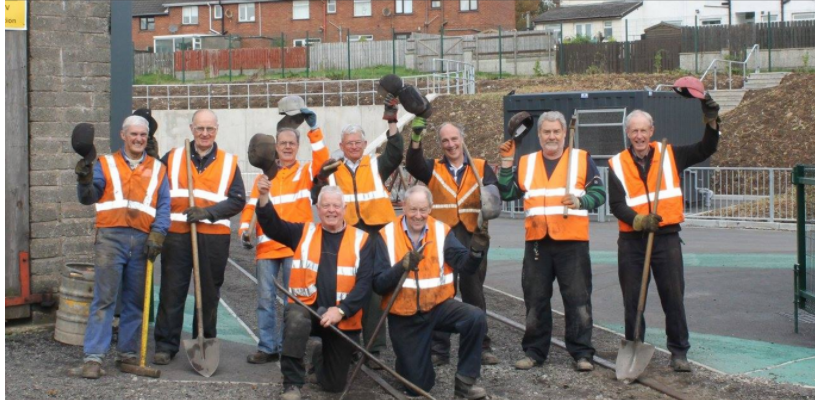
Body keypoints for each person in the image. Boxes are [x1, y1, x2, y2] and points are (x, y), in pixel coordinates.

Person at [607, 97, 720, 372]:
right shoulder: (617, 164)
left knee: (673, 296)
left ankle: (679, 351)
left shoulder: (671, 154)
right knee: (633, 300)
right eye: (634, 131)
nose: (639, 136)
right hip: (633, 242)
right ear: (627, 133)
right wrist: (639, 220)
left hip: (666, 239)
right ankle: (634, 345)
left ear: (652, 131)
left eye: (643, 130)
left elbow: (706, 148)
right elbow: (617, 204)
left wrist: (712, 122)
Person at [496, 111, 606, 372]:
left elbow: (599, 193)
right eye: (547, 132)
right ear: (539, 135)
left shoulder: (580, 159)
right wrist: (505, 164)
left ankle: (582, 353)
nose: (552, 136)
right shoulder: (527, 162)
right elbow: (508, 193)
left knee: (578, 299)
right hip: (537, 242)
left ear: (564, 134)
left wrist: (581, 201)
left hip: (572, 242)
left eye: (556, 131)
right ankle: (534, 352)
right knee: (535, 299)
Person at [255, 184, 378, 400]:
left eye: (336, 206)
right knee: (295, 320)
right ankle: (292, 384)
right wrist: (264, 197)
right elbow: (273, 226)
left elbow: (364, 284)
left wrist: (341, 311)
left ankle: (319, 356)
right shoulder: (303, 232)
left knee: (334, 385)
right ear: (318, 209)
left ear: (344, 208)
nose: (331, 210)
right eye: (326, 206)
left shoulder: (362, 239)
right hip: (307, 309)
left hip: (341, 317)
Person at [310, 94, 404, 366]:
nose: (353, 146)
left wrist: (392, 122)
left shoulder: (376, 164)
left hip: (375, 234)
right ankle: (348, 343)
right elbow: (317, 191)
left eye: (358, 143)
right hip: (347, 235)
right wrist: (318, 176)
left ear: (364, 144)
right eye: (348, 143)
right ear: (341, 146)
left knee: (375, 291)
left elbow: (396, 152)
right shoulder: (333, 169)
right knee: (347, 288)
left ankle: (373, 349)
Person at [74, 115, 170, 378]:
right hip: (110, 238)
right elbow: (88, 197)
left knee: (135, 302)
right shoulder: (106, 164)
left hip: (142, 241)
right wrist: (83, 180)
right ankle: (93, 357)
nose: (139, 139)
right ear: (123, 135)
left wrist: (158, 235)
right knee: (104, 299)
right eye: (134, 134)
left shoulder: (159, 169)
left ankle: (128, 354)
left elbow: (163, 207)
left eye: (143, 135)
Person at [374, 185, 489, 400]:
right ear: (403, 207)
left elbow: (464, 266)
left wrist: (475, 251)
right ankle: (408, 364)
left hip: (437, 307)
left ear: (430, 208)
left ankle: (465, 383)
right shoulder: (385, 235)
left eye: (423, 210)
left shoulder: (441, 231)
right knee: (418, 387)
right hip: (404, 315)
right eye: (413, 209)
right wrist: (401, 266)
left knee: (475, 317)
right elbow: (378, 285)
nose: (418, 216)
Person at [153, 109, 246, 365]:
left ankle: (202, 346)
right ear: (192, 129)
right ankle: (165, 344)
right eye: (200, 128)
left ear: (217, 130)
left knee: (207, 295)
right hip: (177, 235)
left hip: (213, 238)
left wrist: (208, 212)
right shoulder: (172, 158)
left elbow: (238, 201)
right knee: (172, 291)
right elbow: (155, 189)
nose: (205, 134)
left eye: (210, 129)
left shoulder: (228, 163)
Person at [404, 118, 500, 366]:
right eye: (445, 140)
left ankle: (481, 345)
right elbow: (412, 164)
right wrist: (416, 139)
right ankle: (439, 348)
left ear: (463, 139)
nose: (450, 144)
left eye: (454, 139)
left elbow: (493, 191)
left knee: (474, 291)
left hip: (473, 236)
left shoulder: (480, 166)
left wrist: (492, 199)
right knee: (441, 290)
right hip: (442, 236)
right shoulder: (432, 167)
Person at [238, 110, 329, 364]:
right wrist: (244, 228)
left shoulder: (305, 173)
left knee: (294, 302)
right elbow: (251, 206)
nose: (288, 147)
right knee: (265, 300)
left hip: (295, 248)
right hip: (267, 248)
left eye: (292, 143)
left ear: (298, 146)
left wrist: (315, 129)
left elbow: (323, 162)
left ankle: (289, 347)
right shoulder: (264, 177)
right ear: (276, 147)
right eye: (283, 143)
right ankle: (268, 347)